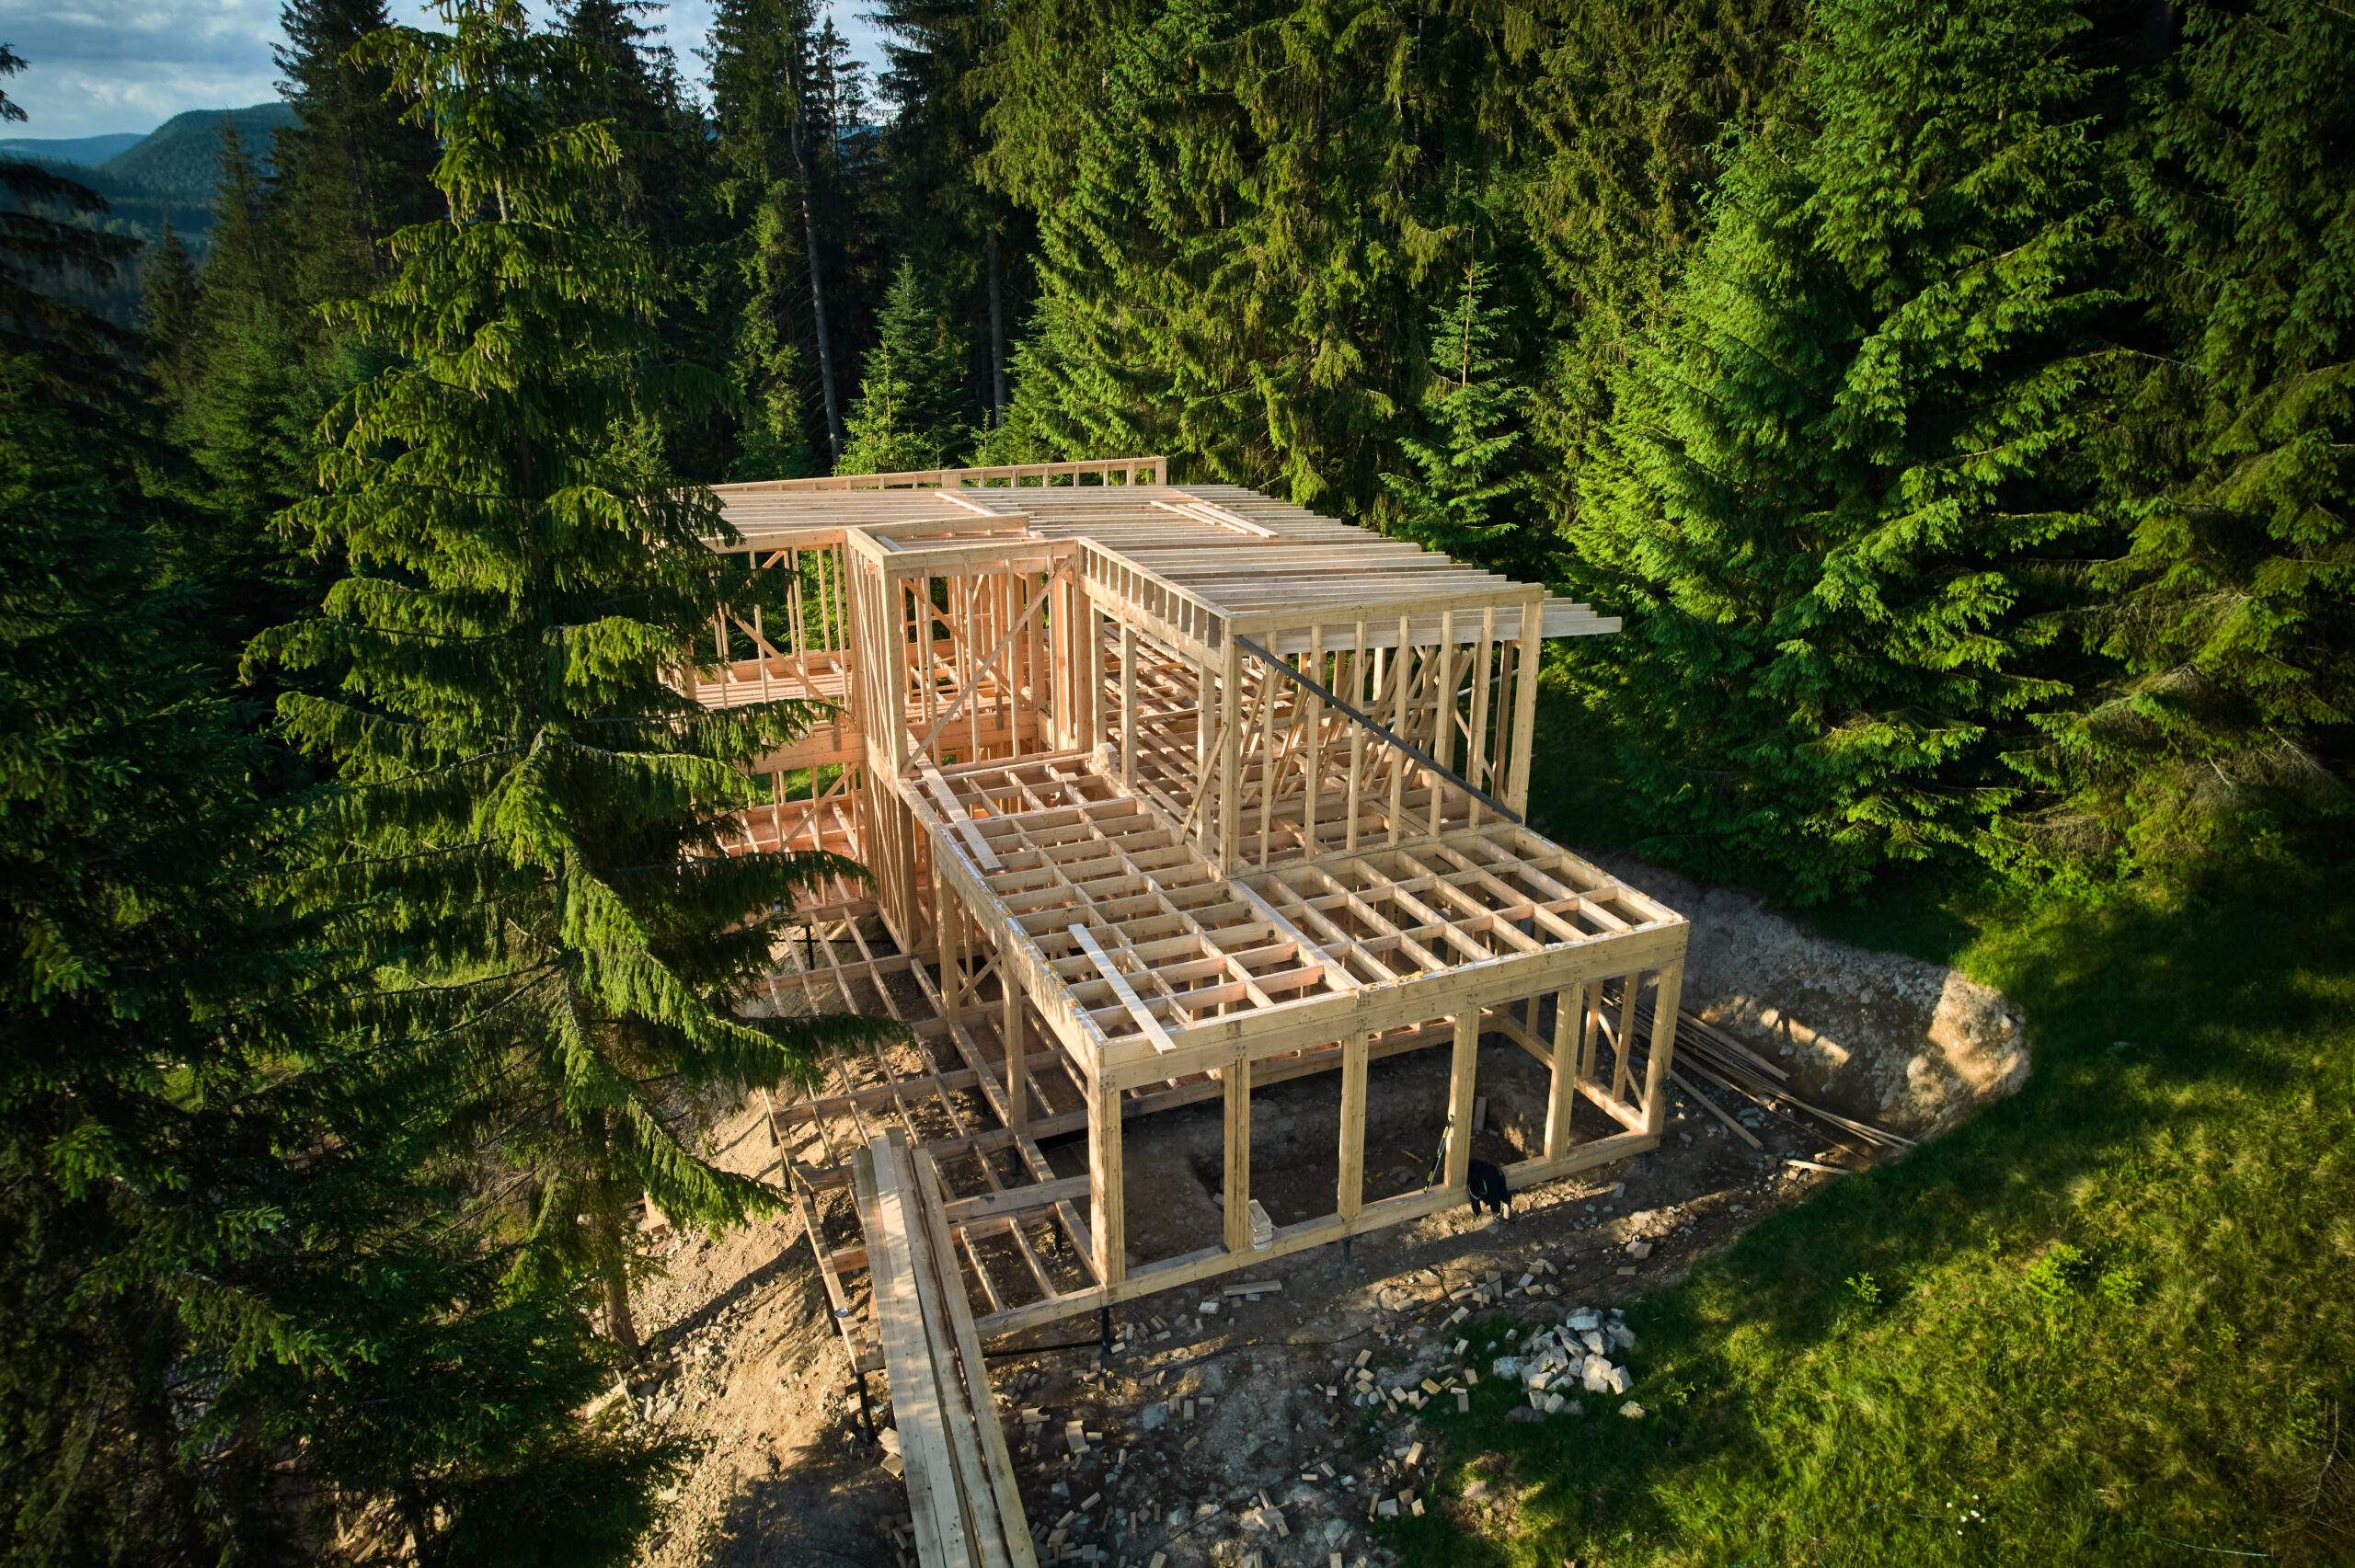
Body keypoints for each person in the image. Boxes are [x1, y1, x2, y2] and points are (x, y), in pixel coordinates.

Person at [1466, 1158, 1512, 1223]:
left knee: (1495, 1198)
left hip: (1493, 1183)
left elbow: (1474, 1195)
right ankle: (1499, 1212)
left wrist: (1477, 1212)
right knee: (1496, 1198)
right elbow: (1474, 1194)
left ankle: (1499, 1213)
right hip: (1495, 1176)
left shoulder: (1473, 1177)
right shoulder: (1475, 1172)